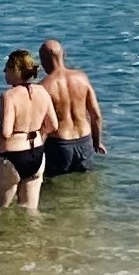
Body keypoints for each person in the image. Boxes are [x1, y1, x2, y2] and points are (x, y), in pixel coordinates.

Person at [0, 48, 56, 211]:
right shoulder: (42, 91)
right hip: (37, 154)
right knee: (30, 211)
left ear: (14, 70)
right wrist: (38, 135)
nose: (4, 71)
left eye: (6, 68)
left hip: (12, 157)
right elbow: (53, 125)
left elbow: (6, 132)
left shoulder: (9, 95)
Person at [37, 37, 105, 181]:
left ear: (43, 60)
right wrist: (97, 142)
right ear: (64, 55)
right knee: (87, 183)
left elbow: (42, 126)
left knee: (52, 186)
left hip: (59, 145)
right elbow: (96, 115)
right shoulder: (82, 78)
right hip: (84, 141)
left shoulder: (43, 86)